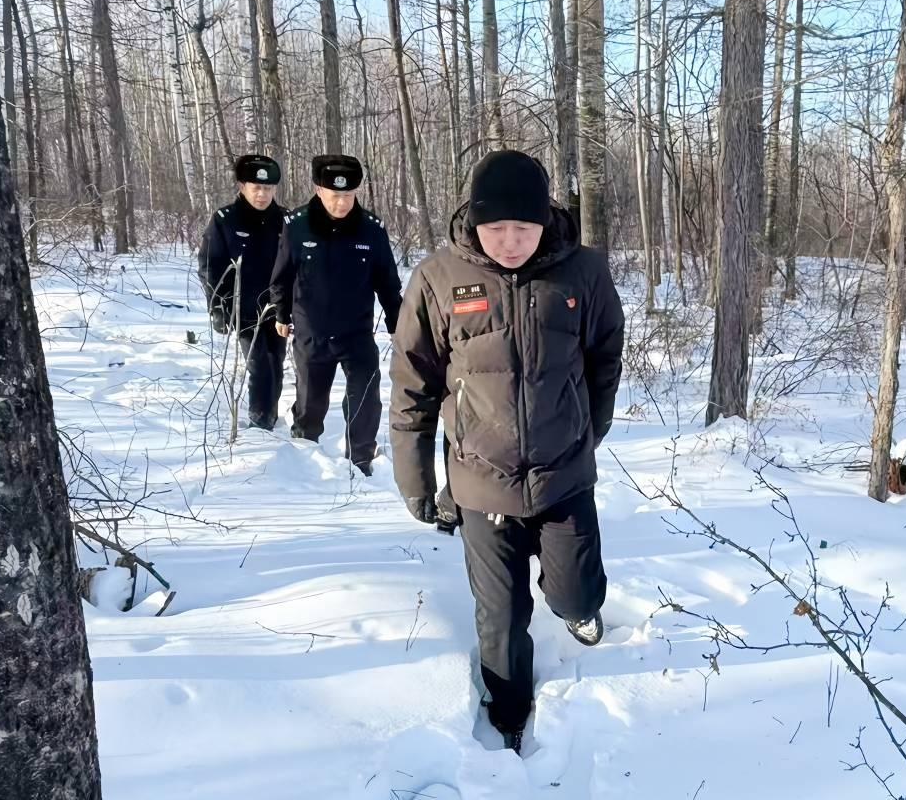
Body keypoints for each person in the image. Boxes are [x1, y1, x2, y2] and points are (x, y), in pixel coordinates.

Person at [389, 149, 625, 754]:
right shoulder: (438, 278)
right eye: (496, 228)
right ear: (475, 220)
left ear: (545, 219)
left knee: (575, 592)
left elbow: (604, 358)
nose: (511, 242)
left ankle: (578, 606)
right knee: (500, 615)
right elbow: (413, 385)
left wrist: (588, 432)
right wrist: (416, 481)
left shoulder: (583, 272)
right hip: (480, 478)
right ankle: (508, 715)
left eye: (524, 227)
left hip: (563, 473)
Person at [270, 154, 403, 476]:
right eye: (334, 195)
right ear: (319, 190)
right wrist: (281, 313)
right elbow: (282, 276)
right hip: (311, 332)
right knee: (311, 402)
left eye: (348, 195)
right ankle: (305, 454)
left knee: (365, 399)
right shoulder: (297, 225)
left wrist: (397, 321)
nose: (341, 203)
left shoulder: (371, 229)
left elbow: (387, 281)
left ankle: (361, 459)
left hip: (356, 332)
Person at [198, 154, 288, 430]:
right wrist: (217, 307)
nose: (262, 194)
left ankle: (270, 418)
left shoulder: (285, 220)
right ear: (242, 186)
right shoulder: (225, 220)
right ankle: (259, 423)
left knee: (275, 364)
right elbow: (210, 266)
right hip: (244, 309)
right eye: (256, 188)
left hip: (278, 309)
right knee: (259, 365)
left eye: (268, 189)